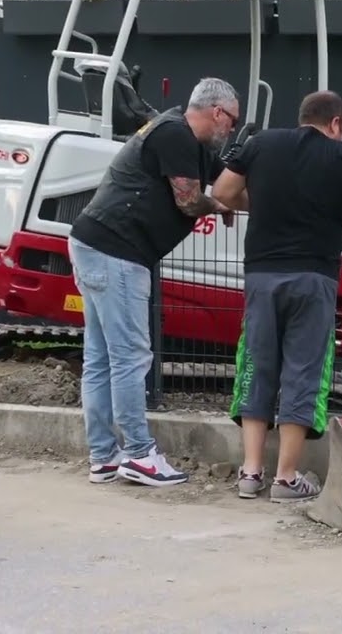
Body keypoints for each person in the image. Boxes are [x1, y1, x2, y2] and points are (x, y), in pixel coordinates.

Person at [210, 89, 342, 502]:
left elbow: (223, 193)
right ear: (336, 123)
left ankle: (250, 473)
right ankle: (285, 479)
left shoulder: (260, 144)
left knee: (257, 363)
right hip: (313, 280)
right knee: (303, 369)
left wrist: (262, 202)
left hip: (262, 276)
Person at [67, 77, 241, 487]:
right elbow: (188, 200)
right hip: (118, 252)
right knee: (129, 357)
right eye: (232, 122)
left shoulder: (191, 144)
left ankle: (104, 456)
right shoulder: (176, 134)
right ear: (217, 112)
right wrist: (216, 206)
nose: (232, 130)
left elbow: (232, 186)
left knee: (101, 358)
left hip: (93, 243)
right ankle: (140, 453)